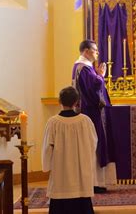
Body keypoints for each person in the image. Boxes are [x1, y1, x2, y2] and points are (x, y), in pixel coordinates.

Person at [42, 86, 97, 214]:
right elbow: (93, 143)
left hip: (60, 175)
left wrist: (46, 166)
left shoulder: (53, 122)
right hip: (81, 174)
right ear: (76, 102)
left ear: (59, 101)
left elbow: (47, 148)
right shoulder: (85, 121)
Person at [72, 40, 116, 193]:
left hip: (92, 112)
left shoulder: (85, 67)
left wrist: (98, 76)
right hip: (90, 113)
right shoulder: (83, 68)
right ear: (85, 51)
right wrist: (101, 76)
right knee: (94, 145)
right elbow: (91, 90)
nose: (97, 53)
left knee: (95, 145)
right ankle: (95, 182)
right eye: (95, 50)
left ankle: (97, 181)